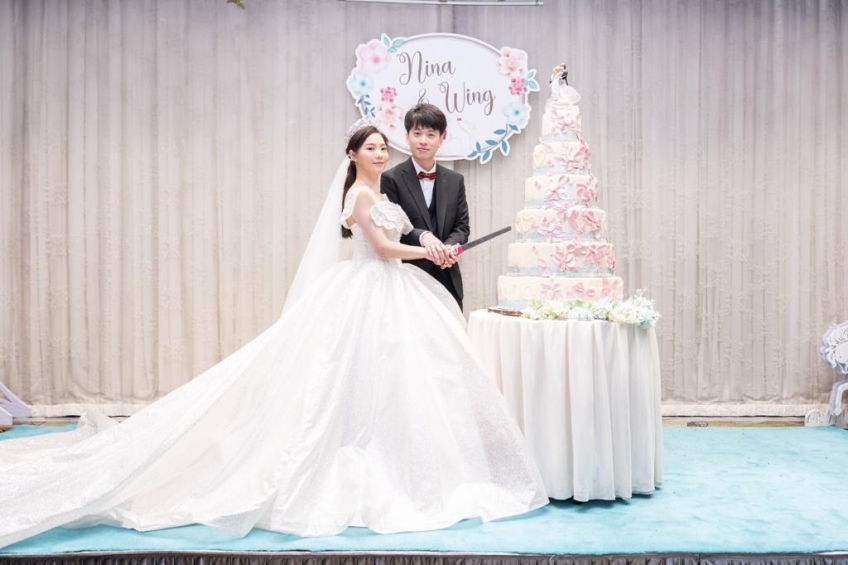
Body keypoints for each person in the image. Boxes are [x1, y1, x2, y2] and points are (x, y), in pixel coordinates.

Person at [0, 124, 548, 549]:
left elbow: (405, 237)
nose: (381, 154)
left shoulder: (382, 190)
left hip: (397, 290)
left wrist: (435, 245)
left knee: (405, 383)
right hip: (371, 288)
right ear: (353, 154)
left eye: (384, 147)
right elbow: (382, 250)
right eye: (372, 148)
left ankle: (409, 465)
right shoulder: (361, 196)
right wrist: (426, 251)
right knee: (343, 380)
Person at [381, 104, 470, 309]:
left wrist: (448, 249)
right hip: (408, 277)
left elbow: (462, 227)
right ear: (407, 137)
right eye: (417, 133)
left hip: (448, 279)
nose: (423, 140)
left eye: (430, 134)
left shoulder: (455, 180)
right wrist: (423, 237)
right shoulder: (391, 179)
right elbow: (391, 230)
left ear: (442, 138)